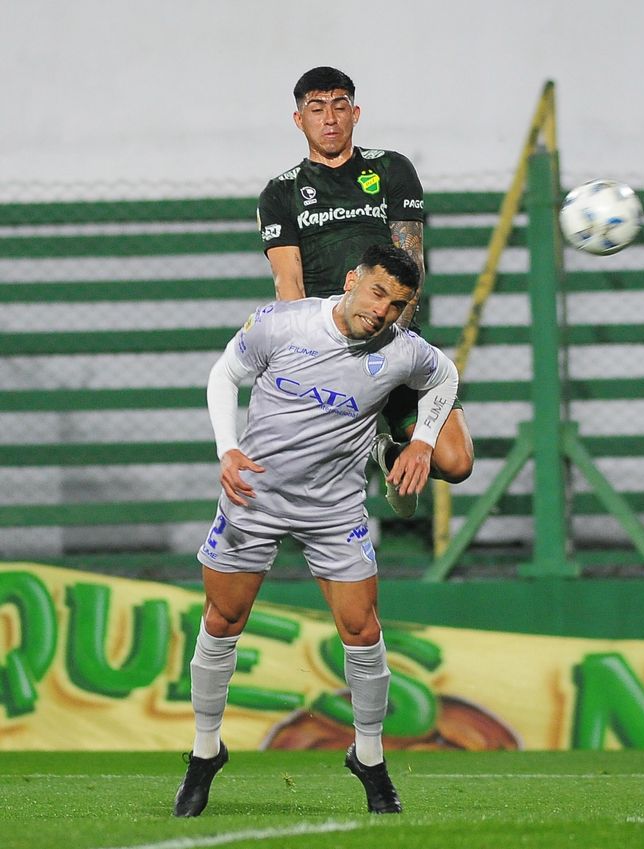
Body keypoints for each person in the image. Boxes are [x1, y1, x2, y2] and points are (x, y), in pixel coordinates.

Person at [173, 245, 459, 817]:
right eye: (377, 293)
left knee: (362, 628)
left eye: (397, 304)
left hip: (334, 507)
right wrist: (227, 450)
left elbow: (445, 375)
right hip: (254, 493)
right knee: (222, 620)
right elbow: (225, 374)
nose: (382, 312)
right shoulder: (285, 325)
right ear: (353, 281)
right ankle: (205, 752)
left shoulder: (403, 353)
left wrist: (425, 438)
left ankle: (371, 759)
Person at [256, 66, 473, 517]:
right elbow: (288, 285)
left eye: (339, 106)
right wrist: (312, 359)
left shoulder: (391, 169)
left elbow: (410, 263)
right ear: (300, 120)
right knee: (301, 482)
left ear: (355, 113)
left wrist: (388, 348)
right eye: (316, 109)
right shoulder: (280, 193)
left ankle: (384, 450)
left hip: (393, 339)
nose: (329, 118)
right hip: (328, 349)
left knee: (456, 461)